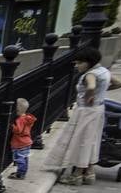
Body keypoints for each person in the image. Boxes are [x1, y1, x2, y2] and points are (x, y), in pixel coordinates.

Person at [43, 47, 108, 185]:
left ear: (89, 62)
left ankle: (77, 174)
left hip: (86, 111)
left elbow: (90, 86)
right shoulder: (104, 71)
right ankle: (89, 172)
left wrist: (90, 95)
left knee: (81, 141)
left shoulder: (90, 74)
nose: (77, 66)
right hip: (98, 109)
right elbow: (119, 83)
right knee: (91, 140)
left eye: (79, 63)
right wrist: (98, 93)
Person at [9, 97, 36, 179]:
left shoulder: (20, 120)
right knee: (24, 158)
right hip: (27, 142)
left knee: (19, 158)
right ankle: (22, 171)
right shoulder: (27, 118)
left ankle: (20, 174)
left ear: (17, 111)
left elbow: (18, 130)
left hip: (20, 143)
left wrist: (12, 126)